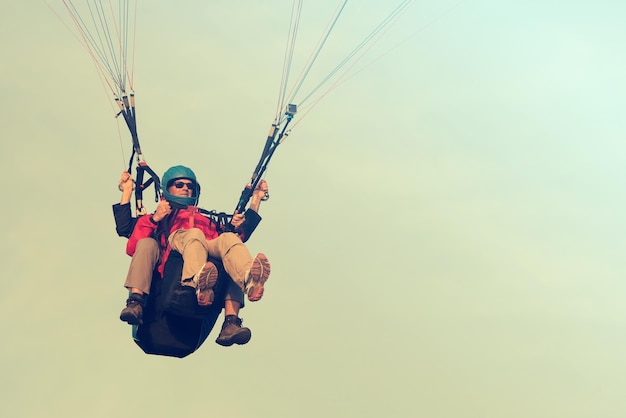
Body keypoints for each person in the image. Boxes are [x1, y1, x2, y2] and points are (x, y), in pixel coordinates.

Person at [116, 166, 271, 346]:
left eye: (190, 186)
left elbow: (239, 238)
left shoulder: (208, 220)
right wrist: (153, 218)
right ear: (167, 189)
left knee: (229, 239)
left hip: (205, 251)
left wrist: (255, 201)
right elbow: (133, 246)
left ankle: (247, 284)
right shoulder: (160, 218)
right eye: (179, 184)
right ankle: (137, 301)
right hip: (174, 253)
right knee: (191, 235)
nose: (185, 188)